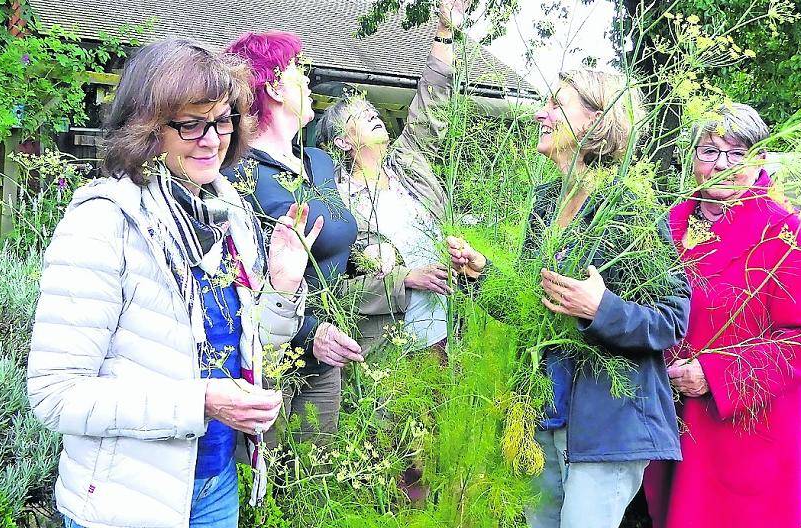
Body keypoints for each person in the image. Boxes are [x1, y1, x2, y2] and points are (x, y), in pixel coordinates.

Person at [26, 38, 319, 528]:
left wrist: (283, 286)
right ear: (146, 127)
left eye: (222, 120)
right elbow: (55, 395)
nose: (212, 139)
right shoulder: (106, 223)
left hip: (216, 486)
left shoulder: (229, 216)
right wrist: (200, 402)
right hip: (128, 502)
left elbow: (249, 347)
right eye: (190, 124)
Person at [446, 69, 690, 528]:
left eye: (557, 104)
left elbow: (672, 318)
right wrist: (481, 275)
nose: (543, 114)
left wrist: (601, 309)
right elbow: (530, 307)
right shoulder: (545, 203)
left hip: (606, 424)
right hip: (543, 413)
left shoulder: (629, 209)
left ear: (597, 121)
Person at [643, 103, 801, 528]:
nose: (722, 165)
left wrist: (715, 374)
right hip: (665, 423)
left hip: (744, 437)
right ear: (692, 157)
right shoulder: (664, 229)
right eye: (710, 151)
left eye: (738, 153)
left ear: (760, 159)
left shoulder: (791, 238)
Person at [224, 32, 362, 443]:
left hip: (328, 353)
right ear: (272, 88)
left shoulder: (319, 162)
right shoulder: (239, 173)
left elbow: (340, 241)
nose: (307, 80)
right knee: (267, 473)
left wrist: (375, 253)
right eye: (297, 71)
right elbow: (236, 278)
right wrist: (309, 331)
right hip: (270, 356)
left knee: (318, 472)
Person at [313, 0, 468, 354]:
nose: (372, 114)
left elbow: (432, 102)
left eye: (371, 109)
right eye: (358, 115)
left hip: (447, 331)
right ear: (342, 141)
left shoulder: (408, 167)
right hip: (391, 348)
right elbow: (335, 289)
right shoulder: (337, 203)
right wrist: (406, 279)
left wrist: (445, 30)